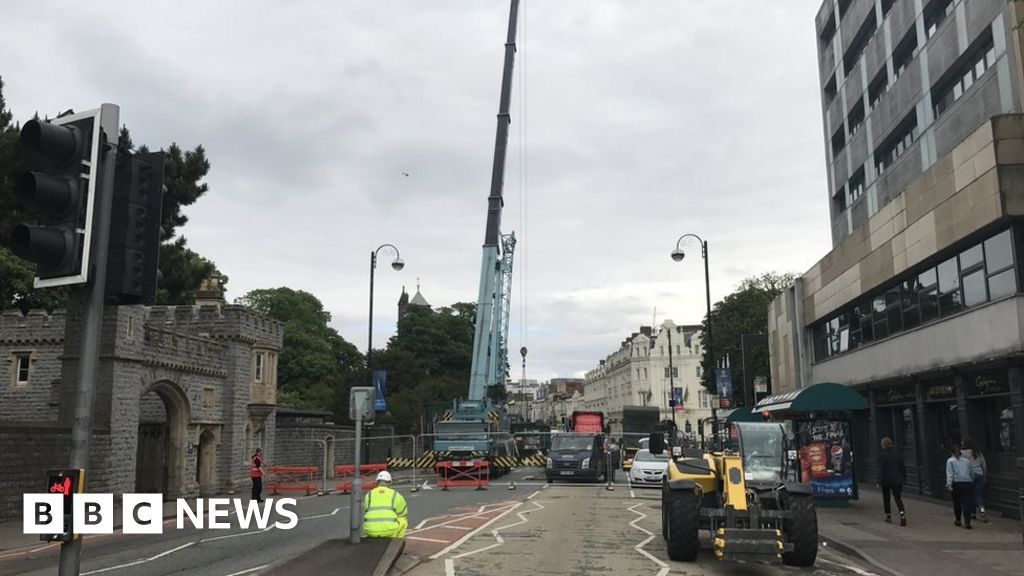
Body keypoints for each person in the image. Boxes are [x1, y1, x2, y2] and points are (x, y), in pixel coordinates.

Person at [363, 471, 408, 538]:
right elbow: (403, 512)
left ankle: (371, 538)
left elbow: (366, 510)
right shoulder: (395, 494)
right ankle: (397, 542)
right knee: (403, 520)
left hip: (370, 531)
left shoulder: (368, 495)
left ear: (377, 482)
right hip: (389, 531)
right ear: (390, 482)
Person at [876, 437, 907, 526]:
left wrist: (879, 480)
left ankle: (888, 516)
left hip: (886, 480)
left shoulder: (881, 456)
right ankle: (902, 515)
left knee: (886, 498)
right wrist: (904, 479)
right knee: (898, 498)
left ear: (883, 445)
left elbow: (880, 470)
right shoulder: (897, 454)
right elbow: (902, 468)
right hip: (897, 479)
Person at [945, 442, 974, 529]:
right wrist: (971, 480)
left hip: (956, 483)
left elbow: (950, 474)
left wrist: (949, 485)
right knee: (966, 503)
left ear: (951, 452)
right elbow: (971, 472)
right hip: (967, 482)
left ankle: (958, 520)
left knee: (957, 502)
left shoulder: (950, 461)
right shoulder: (967, 461)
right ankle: (967, 522)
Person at [961, 439, 988, 523]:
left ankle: (972, 513)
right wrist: (984, 475)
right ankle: (982, 513)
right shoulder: (977, 452)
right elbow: (983, 464)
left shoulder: (963, 454)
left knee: (970, 496)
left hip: (970, 476)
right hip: (979, 474)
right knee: (978, 495)